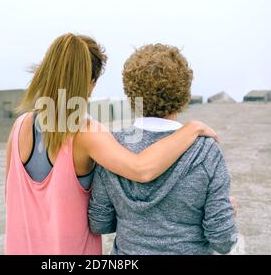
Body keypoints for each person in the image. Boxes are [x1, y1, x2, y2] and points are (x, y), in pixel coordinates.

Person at [4, 34, 218, 255]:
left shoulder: (19, 126)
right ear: (90, 83)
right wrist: (192, 129)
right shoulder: (87, 133)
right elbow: (141, 169)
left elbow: (9, 197)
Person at [88, 43, 238, 255]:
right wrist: (227, 212)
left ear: (131, 93)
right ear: (184, 91)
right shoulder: (206, 151)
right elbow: (222, 240)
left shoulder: (112, 148)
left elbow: (99, 222)